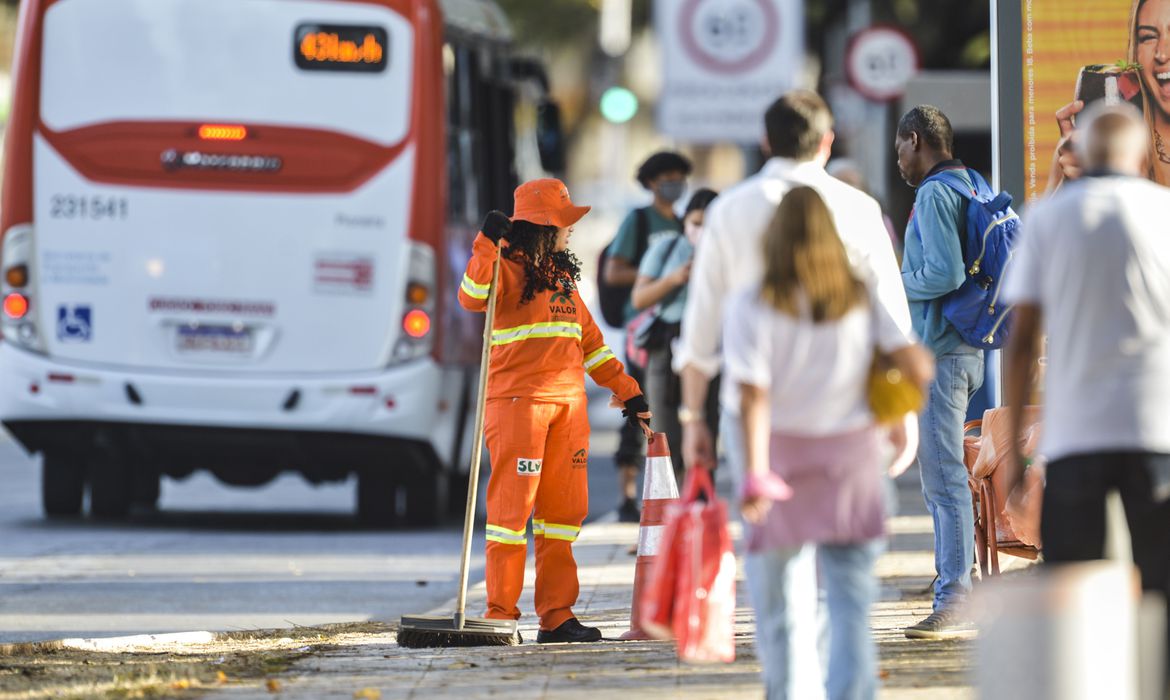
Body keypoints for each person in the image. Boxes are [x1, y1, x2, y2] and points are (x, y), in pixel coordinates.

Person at [727, 186, 931, 700]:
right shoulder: (859, 295)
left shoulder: (752, 303)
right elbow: (916, 365)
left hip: (783, 464)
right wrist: (895, 406)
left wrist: (753, 472)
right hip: (853, 461)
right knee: (850, 604)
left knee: (785, 606)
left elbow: (753, 396)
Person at [1001, 103, 1170, 694]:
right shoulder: (1166, 214)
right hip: (1159, 434)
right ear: (1141, 155)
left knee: (1075, 594)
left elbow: (1021, 342)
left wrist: (1017, 454)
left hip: (1076, 437)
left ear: (1086, 154)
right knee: (1162, 589)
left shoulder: (1048, 218)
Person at [675, 90, 912, 496]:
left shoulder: (728, 211)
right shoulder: (858, 208)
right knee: (847, 541)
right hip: (847, 403)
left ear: (766, 142)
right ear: (827, 141)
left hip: (757, 409)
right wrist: (901, 409)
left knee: (775, 546)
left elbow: (702, 323)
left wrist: (693, 415)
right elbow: (892, 315)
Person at [458, 178, 652, 643]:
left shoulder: (562, 278)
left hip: (568, 411)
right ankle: (500, 614)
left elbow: (593, 347)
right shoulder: (504, 267)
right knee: (510, 517)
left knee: (562, 517)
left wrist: (629, 392)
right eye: (564, 223)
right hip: (517, 407)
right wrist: (485, 243)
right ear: (543, 227)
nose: (570, 231)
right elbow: (470, 297)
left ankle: (557, 616)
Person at [893, 105, 983, 639]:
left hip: (943, 354)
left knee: (945, 482)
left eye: (901, 148)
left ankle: (955, 598)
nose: (900, 160)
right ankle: (955, 582)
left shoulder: (932, 192)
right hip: (966, 352)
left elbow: (943, 273)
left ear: (914, 138)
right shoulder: (970, 180)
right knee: (949, 481)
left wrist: (890, 282)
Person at [604, 151, 692, 522]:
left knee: (673, 409)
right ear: (651, 182)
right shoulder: (638, 222)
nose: (675, 184)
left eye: (680, 176)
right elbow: (613, 271)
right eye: (667, 176)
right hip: (642, 329)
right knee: (637, 404)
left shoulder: (687, 222)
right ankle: (627, 493)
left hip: (678, 327)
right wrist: (655, 273)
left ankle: (674, 490)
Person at [630, 188, 720, 482]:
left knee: (708, 429)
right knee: (665, 434)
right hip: (667, 343)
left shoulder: (726, 252)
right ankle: (669, 509)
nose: (701, 231)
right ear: (685, 223)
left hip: (711, 347)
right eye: (696, 223)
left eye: (710, 224)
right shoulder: (668, 248)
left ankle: (699, 504)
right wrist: (675, 279)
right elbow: (639, 298)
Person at [1050, 0, 1170, 188]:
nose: (1162, 54)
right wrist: (1070, 184)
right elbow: (1046, 217)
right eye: (1148, 37)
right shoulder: (1088, 143)